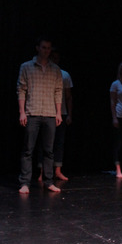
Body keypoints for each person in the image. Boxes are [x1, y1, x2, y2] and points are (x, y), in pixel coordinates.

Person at [17, 37, 63, 193]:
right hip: (32, 112)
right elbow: (21, 90)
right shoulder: (26, 67)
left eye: (49, 48)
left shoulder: (55, 69)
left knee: (49, 150)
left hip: (50, 113)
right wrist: (22, 112)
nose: (46, 51)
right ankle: (25, 182)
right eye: (44, 47)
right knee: (28, 149)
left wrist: (58, 113)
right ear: (38, 48)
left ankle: (49, 181)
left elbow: (58, 91)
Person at [37, 49, 73, 181]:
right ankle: (42, 172)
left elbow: (68, 97)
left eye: (57, 58)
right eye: (53, 58)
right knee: (44, 143)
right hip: (47, 112)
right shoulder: (46, 73)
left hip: (61, 113)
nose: (55, 60)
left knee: (59, 142)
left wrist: (69, 114)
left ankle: (57, 170)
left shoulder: (65, 75)